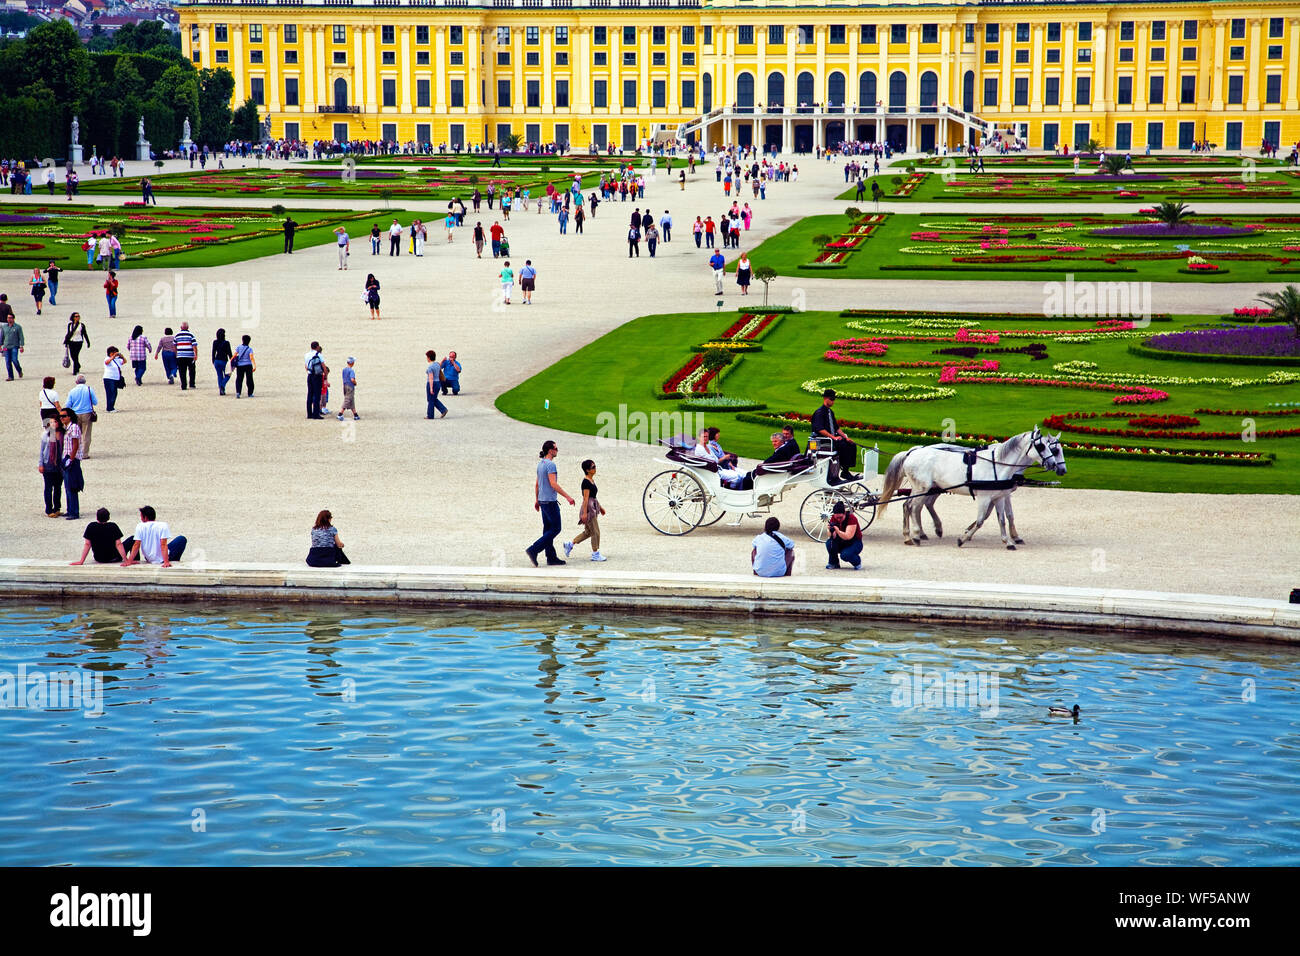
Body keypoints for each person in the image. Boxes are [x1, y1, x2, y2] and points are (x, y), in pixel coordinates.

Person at [525, 439, 574, 567]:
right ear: (550, 450)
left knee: (548, 530)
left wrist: (537, 500)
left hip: (542, 500)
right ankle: (533, 549)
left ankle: (551, 557)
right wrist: (568, 497)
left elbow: (537, 484)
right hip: (550, 502)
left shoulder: (540, 464)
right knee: (556, 528)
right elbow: (553, 484)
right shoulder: (551, 465)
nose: (557, 451)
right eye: (556, 448)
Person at [562, 458, 607, 562]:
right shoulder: (586, 482)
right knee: (595, 532)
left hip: (593, 507)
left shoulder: (591, 480)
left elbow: (593, 496)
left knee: (588, 532)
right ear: (587, 470)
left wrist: (601, 508)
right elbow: (585, 499)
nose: (595, 469)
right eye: (593, 467)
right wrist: (585, 513)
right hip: (589, 509)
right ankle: (595, 554)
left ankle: (570, 544)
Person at [811, 388, 859, 481]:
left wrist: (845, 437)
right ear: (825, 398)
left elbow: (837, 428)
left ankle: (845, 471)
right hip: (823, 440)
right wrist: (834, 437)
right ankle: (839, 472)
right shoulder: (819, 413)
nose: (833, 402)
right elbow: (820, 429)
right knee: (843, 446)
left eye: (834, 400)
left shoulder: (830, 412)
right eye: (831, 399)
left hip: (832, 438)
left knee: (851, 445)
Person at [121, 506, 187, 566]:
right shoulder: (163, 525)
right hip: (162, 559)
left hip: (149, 558)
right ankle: (174, 560)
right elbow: (163, 545)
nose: (141, 519)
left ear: (145, 517)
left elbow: (136, 545)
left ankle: (172, 559)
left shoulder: (140, 526)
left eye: (141, 516)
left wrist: (129, 561)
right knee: (181, 539)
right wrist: (166, 562)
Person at [58, 408, 83, 520]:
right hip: (67, 458)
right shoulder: (66, 428)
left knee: (72, 486)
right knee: (68, 486)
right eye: (61, 416)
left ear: (70, 417)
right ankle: (70, 510)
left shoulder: (73, 427)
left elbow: (75, 444)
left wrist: (71, 459)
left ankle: (74, 512)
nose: (62, 418)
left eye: (64, 416)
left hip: (72, 459)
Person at [64, 374, 97, 457]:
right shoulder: (89, 389)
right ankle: (85, 453)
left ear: (76, 382)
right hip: (87, 413)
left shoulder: (72, 391)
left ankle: (75, 452)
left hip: (75, 414)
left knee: (75, 433)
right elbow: (95, 402)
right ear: (85, 382)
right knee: (86, 434)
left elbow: (67, 405)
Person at [824, 502, 863, 570]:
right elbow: (830, 536)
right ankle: (833, 563)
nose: (838, 519)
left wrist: (838, 531)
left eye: (840, 517)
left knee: (845, 555)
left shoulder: (852, 518)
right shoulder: (833, 518)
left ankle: (857, 562)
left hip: (854, 542)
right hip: (842, 542)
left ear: (844, 513)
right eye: (837, 518)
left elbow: (848, 536)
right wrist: (830, 530)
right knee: (829, 543)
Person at [39, 417, 63, 517]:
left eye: (55, 421)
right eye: (51, 422)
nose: (53, 424)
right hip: (48, 464)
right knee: (48, 488)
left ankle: (57, 507)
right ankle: (49, 509)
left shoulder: (63, 434)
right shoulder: (47, 434)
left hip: (60, 465)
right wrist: (40, 464)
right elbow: (42, 450)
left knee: (58, 487)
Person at [173, 322, 198, 390]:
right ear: (188, 327)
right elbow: (194, 346)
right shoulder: (191, 335)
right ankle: (192, 384)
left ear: (181, 327)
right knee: (192, 370)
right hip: (190, 356)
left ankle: (183, 385)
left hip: (180, 356)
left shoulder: (177, 335)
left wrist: (176, 354)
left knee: (182, 371)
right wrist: (196, 355)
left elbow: (174, 346)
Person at [425, 350, 448, 418]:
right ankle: (443, 409)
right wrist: (443, 360)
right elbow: (439, 365)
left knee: (430, 400)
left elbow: (431, 378)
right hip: (438, 383)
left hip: (432, 383)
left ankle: (430, 415)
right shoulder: (437, 364)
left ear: (429, 358)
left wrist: (431, 388)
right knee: (433, 398)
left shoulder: (430, 367)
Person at [2, 311, 24, 380]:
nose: (9, 319)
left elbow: (21, 337)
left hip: (14, 346)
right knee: (7, 361)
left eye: (10, 318)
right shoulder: (4, 327)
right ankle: (10, 376)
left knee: (14, 360)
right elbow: (2, 336)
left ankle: (19, 370)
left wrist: (21, 346)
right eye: (8, 318)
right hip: (6, 347)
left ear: (13, 319)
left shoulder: (18, 327)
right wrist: (0, 345)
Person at [211, 328, 233, 395]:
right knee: (228, 375)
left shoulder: (215, 342)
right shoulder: (226, 343)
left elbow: (213, 352)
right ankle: (222, 386)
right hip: (224, 361)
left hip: (216, 361)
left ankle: (221, 390)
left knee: (219, 375)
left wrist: (213, 360)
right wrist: (232, 362)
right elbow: (230, 353)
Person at [305, 341, 325, 419]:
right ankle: (316, 414)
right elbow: (323, 366)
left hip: (310, 375)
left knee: (310, 394)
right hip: (317, 376)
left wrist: (309, 373)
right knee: (317, 395)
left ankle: (309, 414)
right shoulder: (319, 355)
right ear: (317, 347)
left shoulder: (306, 355)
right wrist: (325, 375)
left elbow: (306, 366)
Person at [336, 356, 359, 421]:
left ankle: (355, 414)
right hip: (350, 386)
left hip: (345, 385)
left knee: (351, 400)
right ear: (352, 363)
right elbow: (352, 379)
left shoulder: (344, 370)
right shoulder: (351, 371)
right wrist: (355, 383)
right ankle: (340, 414)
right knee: (348, 400)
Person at [233, 334, 255, 398]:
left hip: (240, 366)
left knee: (239, 379)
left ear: (242, 340)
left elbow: (235, 355)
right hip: (248, 365)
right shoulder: (250, 349)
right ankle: (250, 393)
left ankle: (238, 392)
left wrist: (230, 361)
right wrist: (254, 365)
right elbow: (251, 358)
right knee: (249, 380)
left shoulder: (239, 347)